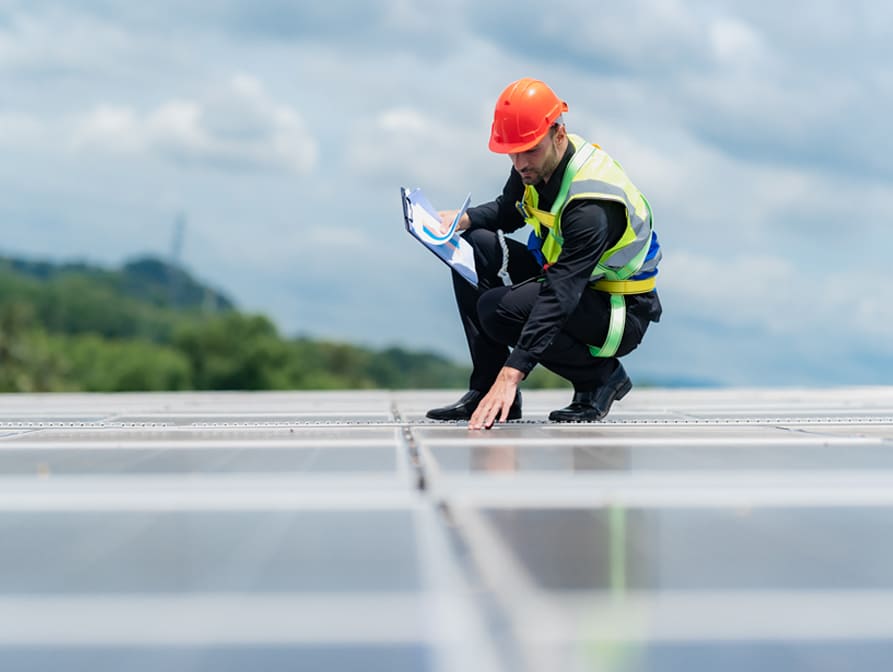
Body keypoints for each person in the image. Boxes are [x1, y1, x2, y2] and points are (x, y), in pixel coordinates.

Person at [426, 77, 662, 430]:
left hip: (615, 311)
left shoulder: (591, 205)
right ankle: (484, 389)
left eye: (529, 150)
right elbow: (510, 210)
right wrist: (461, 220)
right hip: (572, 284)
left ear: (559, 136)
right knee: (472, 245)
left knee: (497, 310)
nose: (520, 163)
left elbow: (560, 293)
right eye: (513, 152)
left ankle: (600, 378)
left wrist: (513, 374)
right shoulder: (535, 164)